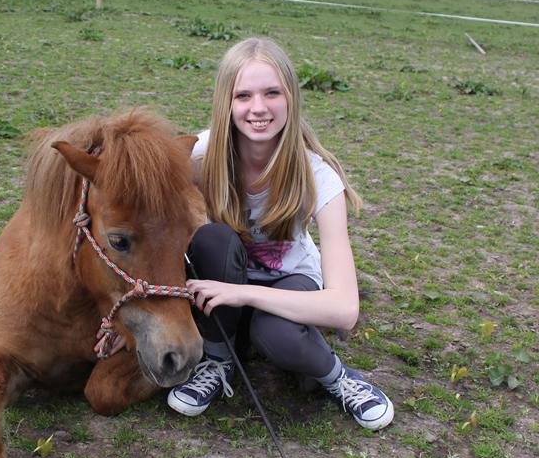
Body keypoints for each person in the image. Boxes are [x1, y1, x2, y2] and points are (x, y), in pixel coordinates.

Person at [166, 37, 394, 430]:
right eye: (243, 95)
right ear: (226, 102)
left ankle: (337, 376)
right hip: (224, 277)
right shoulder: (198, 155)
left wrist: (244, 294)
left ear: (291, 98)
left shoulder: (318, 176)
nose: (258, 108)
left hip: (288, 282)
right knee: (212, 240)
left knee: (277, 334)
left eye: (272, 92)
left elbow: (345, 310)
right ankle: (218, 361)